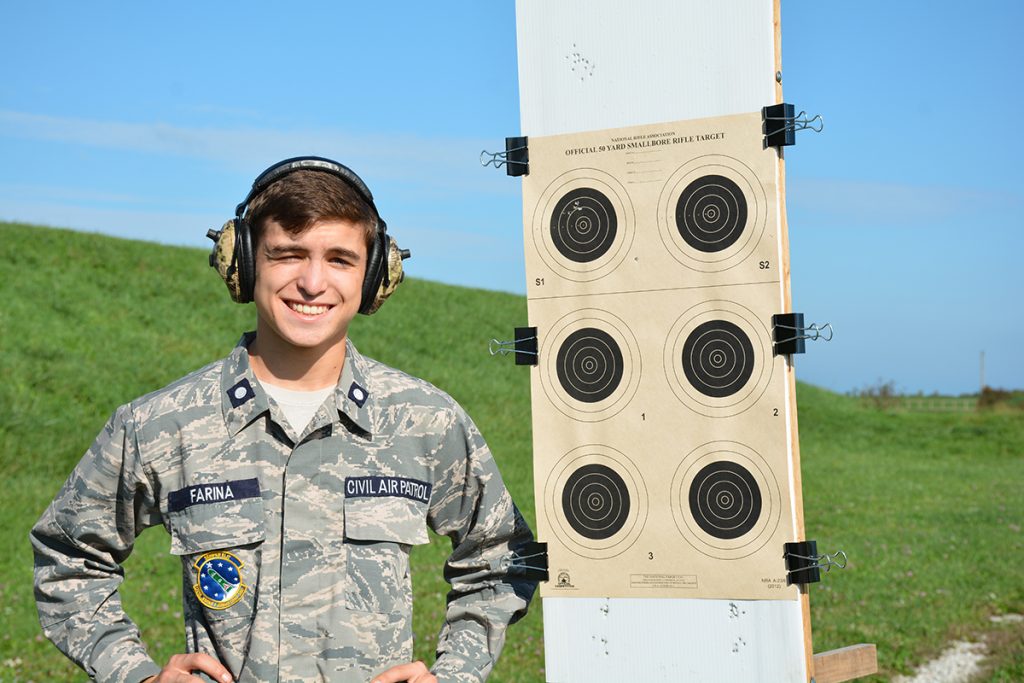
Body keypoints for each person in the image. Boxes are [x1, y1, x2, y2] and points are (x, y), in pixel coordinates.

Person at [31, 157, 538, 683]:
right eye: (288, 254)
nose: (313, 282)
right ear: (243, 265)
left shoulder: (425, 421)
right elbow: (69, 555)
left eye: (340, 259)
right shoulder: (160, 425)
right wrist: (133, 674)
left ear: (375, 276)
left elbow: (503, 557)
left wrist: (455, 674)